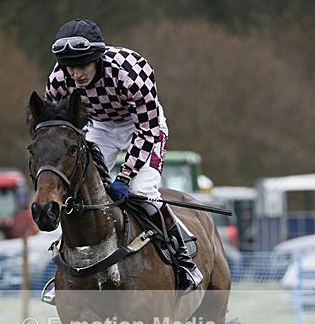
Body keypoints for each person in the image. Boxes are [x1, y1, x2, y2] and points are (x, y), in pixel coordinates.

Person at [45, 19, 203, 291]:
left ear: (96, 58)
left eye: (82, 66)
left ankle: (182, 257)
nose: (76, 74)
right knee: (76, 189)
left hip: (142, 127)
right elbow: (56, 127)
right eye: (70, 67)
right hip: (100, 128)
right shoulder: (59, 79)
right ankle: (68, 263)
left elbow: (147, 130)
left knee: (143, 191)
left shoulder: (130, 73)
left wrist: (125, 177)